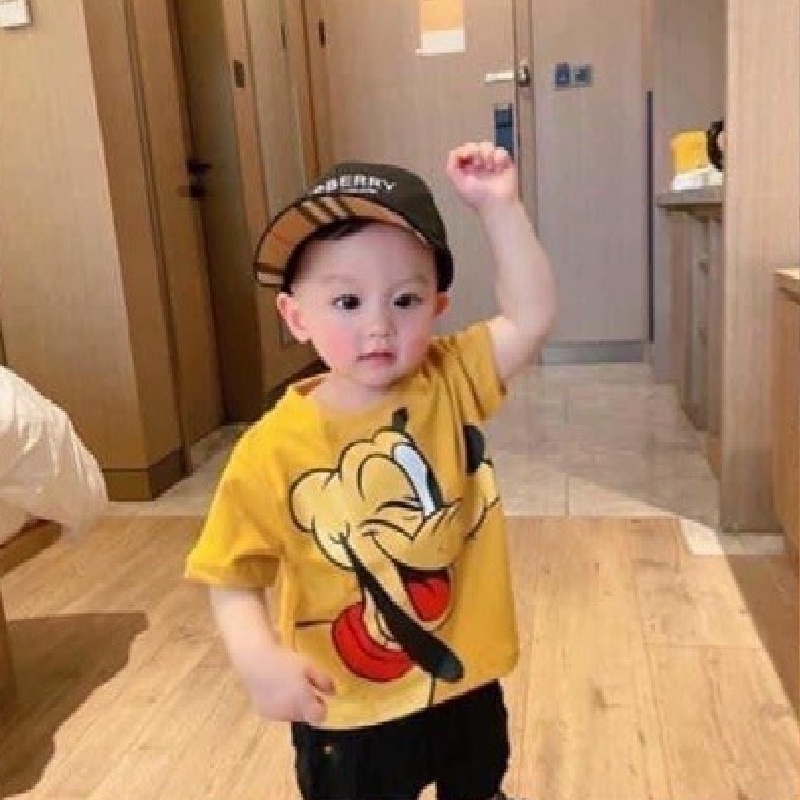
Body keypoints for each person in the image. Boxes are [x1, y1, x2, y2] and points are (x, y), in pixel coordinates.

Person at [185, 141, 555, 800]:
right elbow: (229, 574)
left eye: (405, 300)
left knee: (479, 781)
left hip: (464, 678)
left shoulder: (448, 379)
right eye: (348, 302)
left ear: (437, 306)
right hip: (350, 707)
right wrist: (258, 660)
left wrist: (501, 209)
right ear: (296, 316)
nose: (379, 325)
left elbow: (531, 318)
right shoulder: (272, 449)